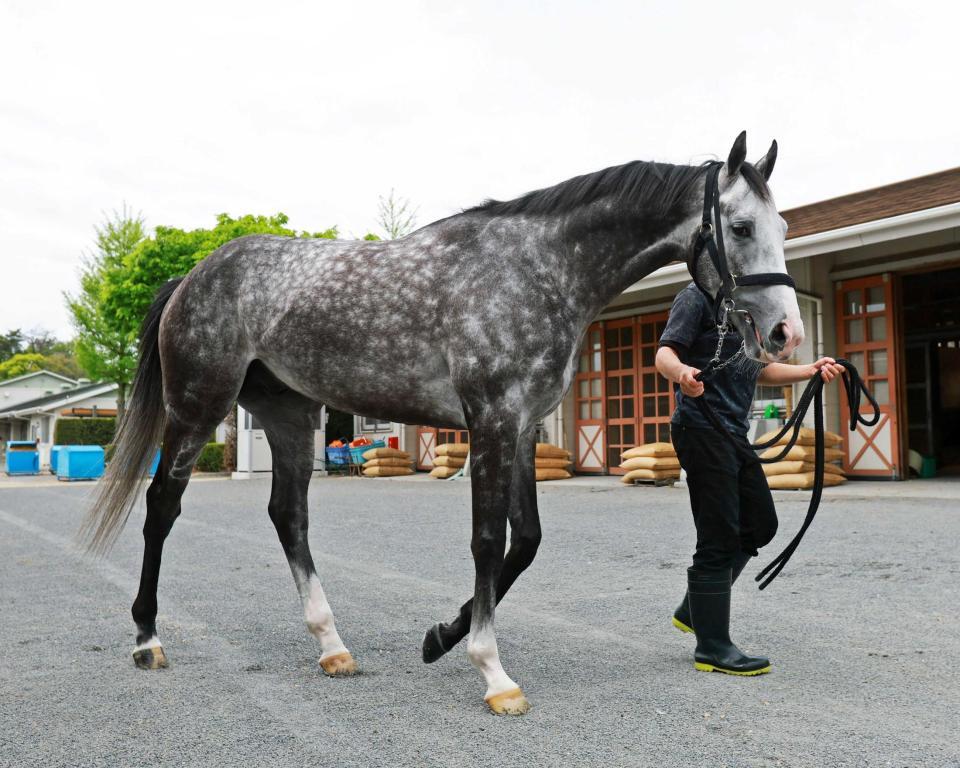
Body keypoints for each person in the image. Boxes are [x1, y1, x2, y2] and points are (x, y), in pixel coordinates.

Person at [655, 282, 844, 676]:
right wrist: (682, 372)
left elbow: (760, 369)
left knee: (760, 524)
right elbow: (664, 354)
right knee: (718, 535)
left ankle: (695, 608)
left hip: (732, 434)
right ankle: (712, 647)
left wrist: (808, 370)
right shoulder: (696, 299)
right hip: (700, 428)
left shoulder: (746, 309)